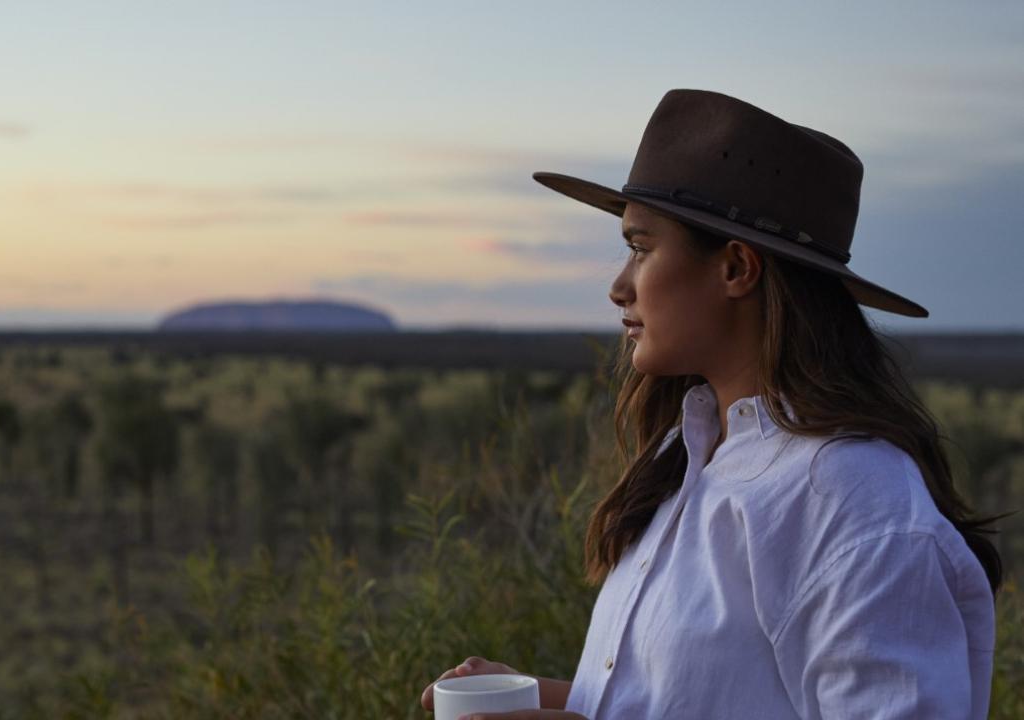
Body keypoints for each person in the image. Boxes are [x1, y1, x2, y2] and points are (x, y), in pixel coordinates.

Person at [418, 89, 1003, 719]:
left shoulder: (855, 500)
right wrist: (538, 698)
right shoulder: (691, 452)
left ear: (735, 269)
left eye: (641, 247)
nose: (619, 286)